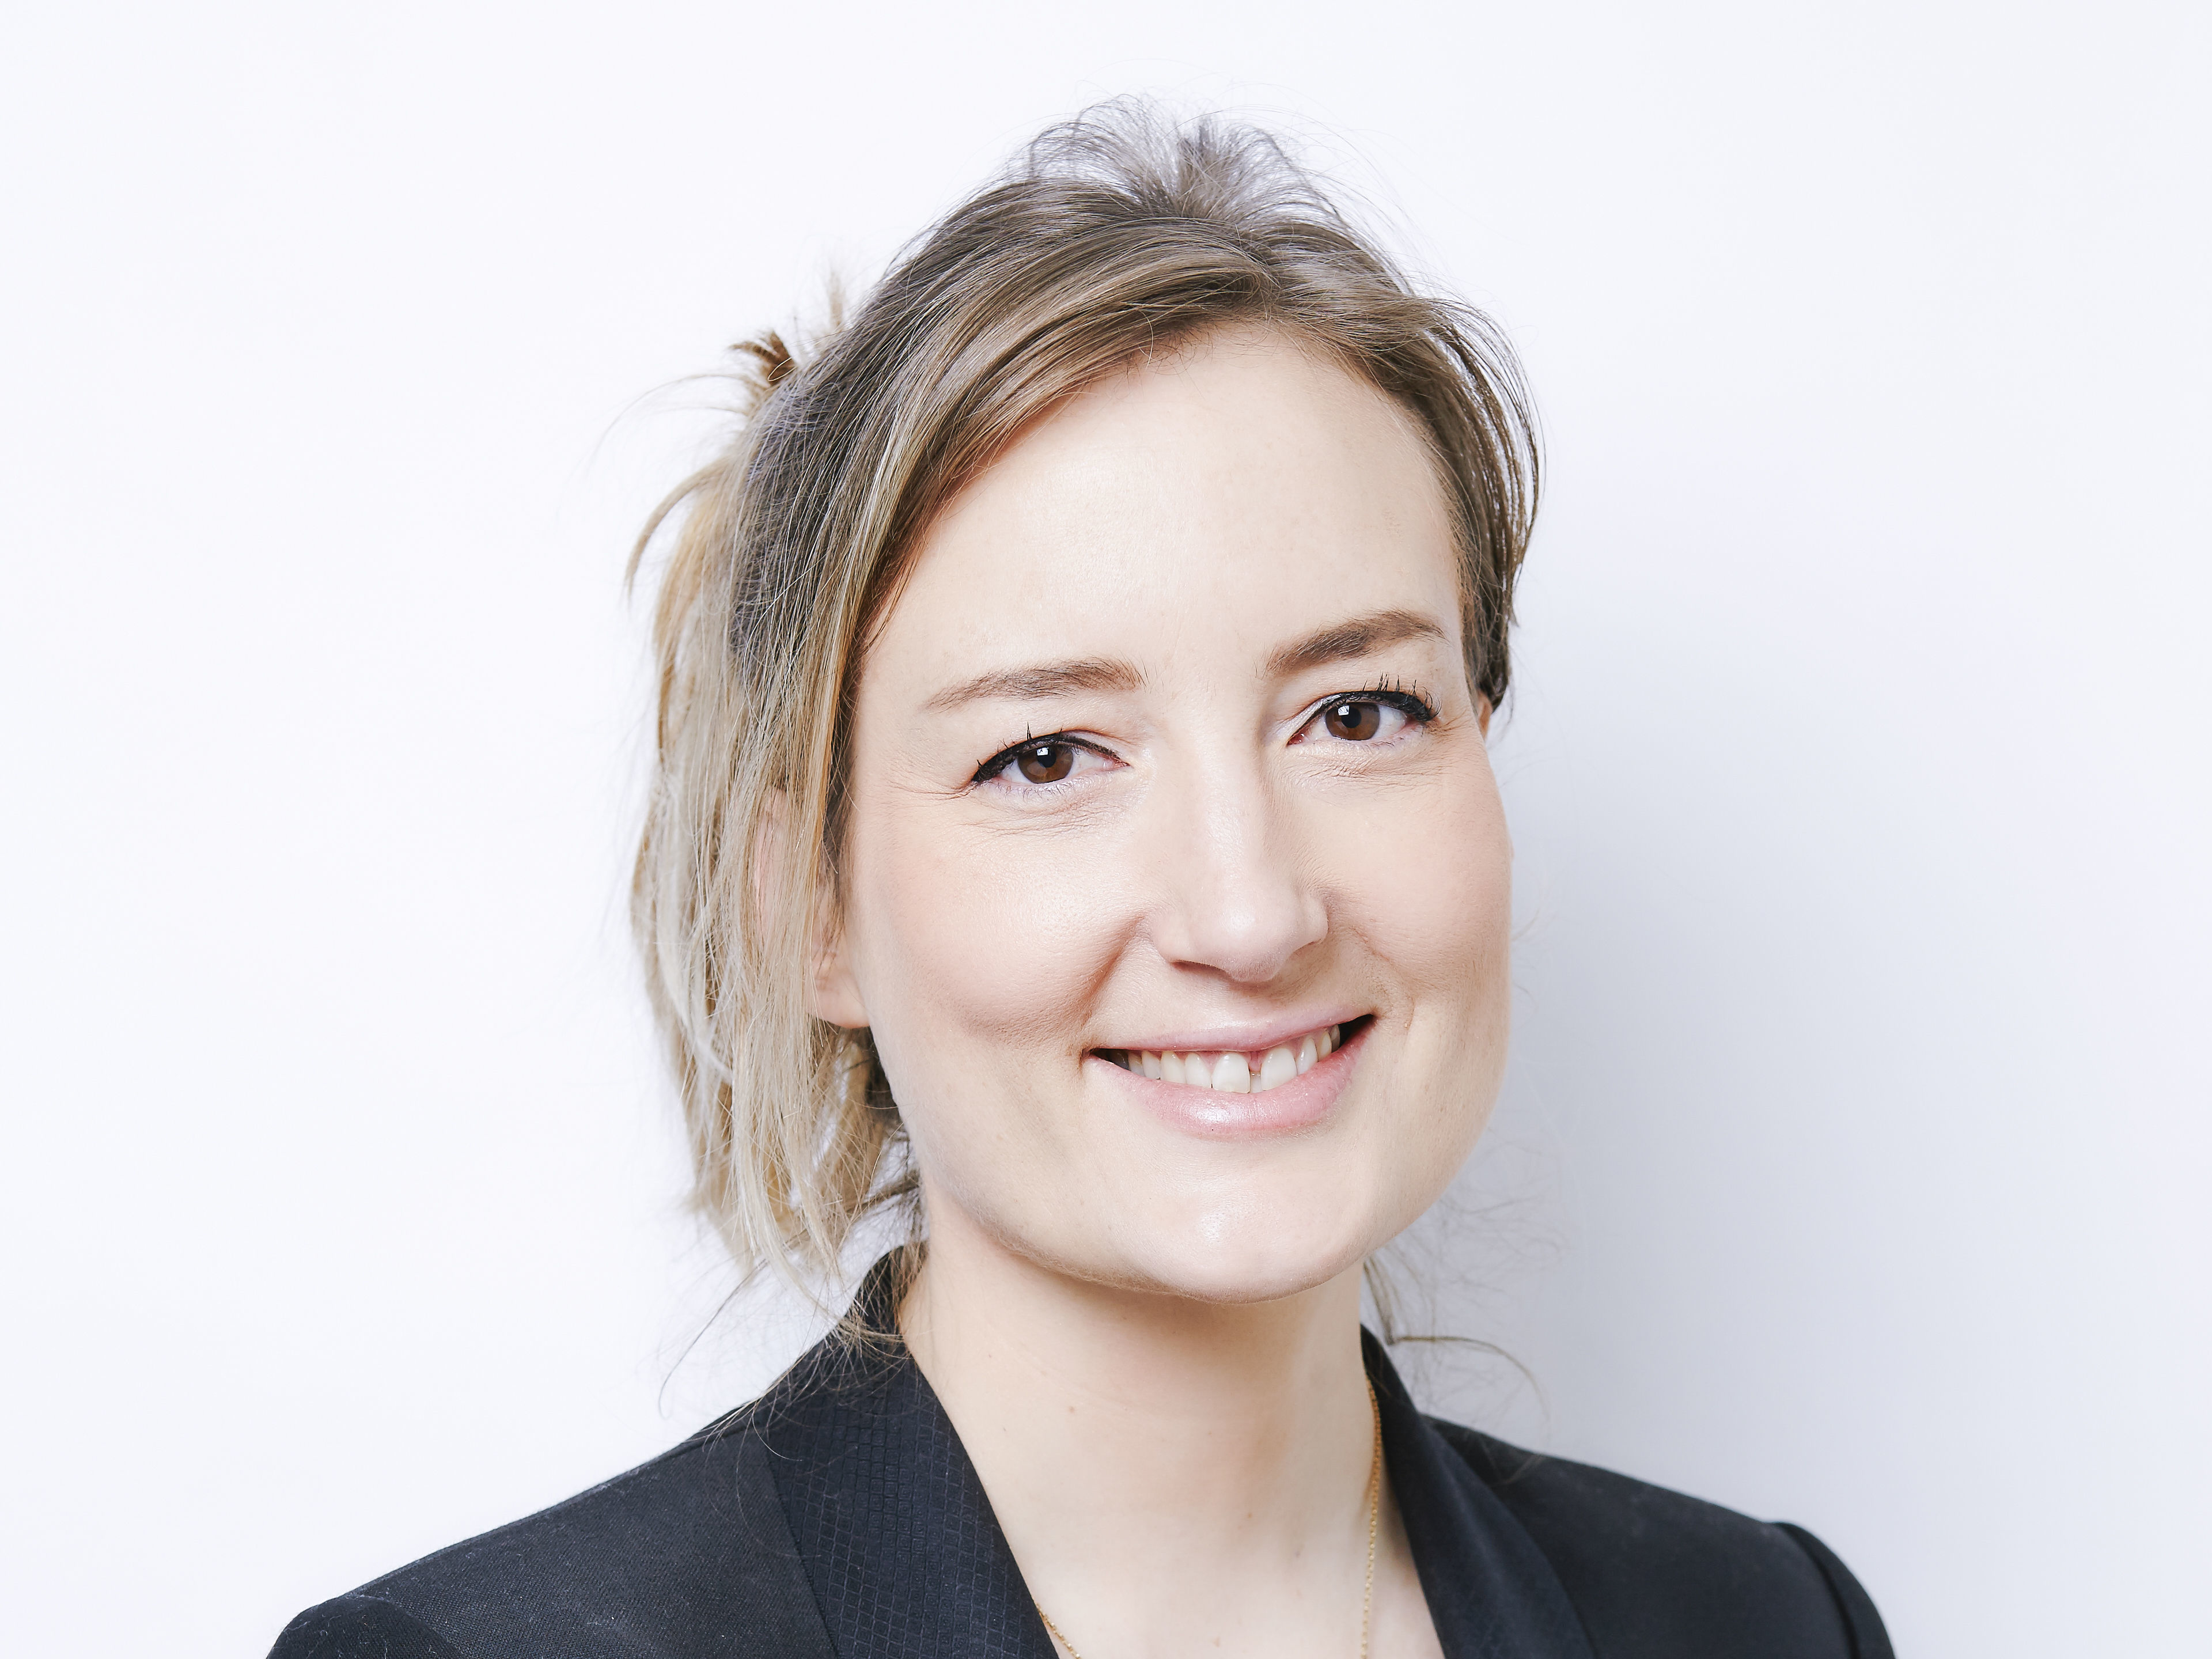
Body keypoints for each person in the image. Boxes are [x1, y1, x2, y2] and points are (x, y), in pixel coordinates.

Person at [271, 104, 1892, 1659]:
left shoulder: (1767, 1624)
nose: (1251, 915)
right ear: (808, 911)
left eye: (1358, 713)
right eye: (1046, 757)